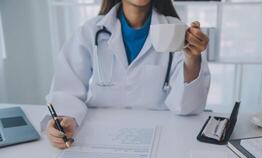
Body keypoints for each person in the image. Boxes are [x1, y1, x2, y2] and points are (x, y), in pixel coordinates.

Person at [45, 0, 210, 149]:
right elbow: (66, 88)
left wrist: (192, 58)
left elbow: (188, 107)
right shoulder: (90, 31)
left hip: (161, 136)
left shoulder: (177, 31)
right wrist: (66, 118)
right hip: (98, 135)